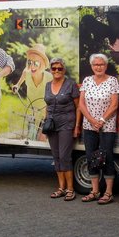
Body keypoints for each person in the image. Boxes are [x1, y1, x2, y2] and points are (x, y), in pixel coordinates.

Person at [78, 53, 119, 204]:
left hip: (107, 126)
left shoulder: (112, 81)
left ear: (106, 66)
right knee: (91, 157)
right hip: (89, 126)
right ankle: (94, 191)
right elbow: (81, 104)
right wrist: (91, 120)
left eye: (101, 64)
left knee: (107, 157)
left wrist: (101, 120)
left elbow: (114, 105)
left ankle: (108, 193)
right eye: (95, 65)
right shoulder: (87, 81)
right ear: (91, 66)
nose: (98, 67)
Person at [45, 58, 81, 201]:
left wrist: (77, 126)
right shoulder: (48, 85)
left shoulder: (70, 84)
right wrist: (46, 122)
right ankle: (61, 188)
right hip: (52, 125)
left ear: (64, 70)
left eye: (60, 68)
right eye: (54, 68)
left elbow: (78, 107)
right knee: (56, 156)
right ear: (50, 70)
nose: (57, 71)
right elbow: (47, 106)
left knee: (65, 156)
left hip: (67, 124)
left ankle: (70, 189)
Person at [12, 43, 52, 139]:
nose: (32, 66)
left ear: (42, 64)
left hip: (45, 113)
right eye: (30, 62)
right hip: (31, 111)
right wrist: (16, 87)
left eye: (36, 63)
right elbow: (18, 84)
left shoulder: (49, 77)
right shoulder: (26, 73)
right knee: (31, 136)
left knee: (42, 138)